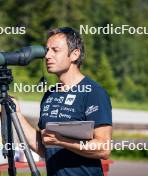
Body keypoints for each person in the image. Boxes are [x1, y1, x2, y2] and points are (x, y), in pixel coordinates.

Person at [13, 27, 112, 176]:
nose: (47, 56)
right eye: (47, 50)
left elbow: (104, 148)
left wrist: (61, 140)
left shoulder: (93, 92)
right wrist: (17, 115)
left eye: (55, 50)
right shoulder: (49, 95)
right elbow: (44, 146)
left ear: (74, 54)